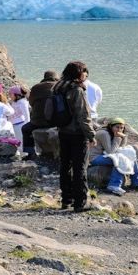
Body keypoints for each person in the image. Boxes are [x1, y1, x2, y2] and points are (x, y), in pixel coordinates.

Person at [53, 61, 97, 212]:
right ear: (78, 73)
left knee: (65, 166)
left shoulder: (58, 87)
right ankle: (80, 203)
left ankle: (66, 200)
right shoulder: (77, 90)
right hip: (77, 134)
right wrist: (91, 135)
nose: (86, 75)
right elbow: (83, 115)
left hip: (62, 131)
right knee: (80, 168)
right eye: (84, 72)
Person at [89, 118, 138, 196]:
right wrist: (117, 137)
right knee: (119, 159)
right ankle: (113, 185)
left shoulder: (113, 133)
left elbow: (121, 147)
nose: (119, 129)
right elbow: (110, 151)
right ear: (111, 126)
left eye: (121, 128)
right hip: (95, 157)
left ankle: (137, 182)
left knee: (130, 155)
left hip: (104, 155)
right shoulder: (104, 134)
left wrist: (123, 137)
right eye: (117, 127)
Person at [21, 71, 58, 158]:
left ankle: (30, 153)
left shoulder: (36, 88)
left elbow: (31, 102)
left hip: (38, 122)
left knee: (25, 129)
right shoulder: (60, 86)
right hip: (57, 121)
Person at [8, 86, 31, 153]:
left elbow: (27, 115)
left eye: (10, 94)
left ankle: (23, 154)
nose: (9, 95)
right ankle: (18, 153)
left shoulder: (23, 102)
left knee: (20, 141)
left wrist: (27, 127)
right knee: (15, 141)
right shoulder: (14, 102)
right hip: (13, 124)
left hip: (20, 124)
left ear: (16, 94)